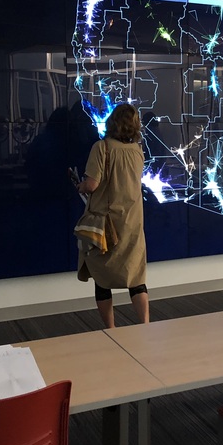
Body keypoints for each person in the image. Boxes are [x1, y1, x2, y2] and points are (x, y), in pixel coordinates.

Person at [76, 103, 149, 328]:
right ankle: (145, 325)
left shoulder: (102, 147)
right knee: (136, 277)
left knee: (102, 276)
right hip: (133, 222)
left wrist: (81, 186)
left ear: (112, 121)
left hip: (106, 224)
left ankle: (111, 329)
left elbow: (93, 184)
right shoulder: (137, 149)